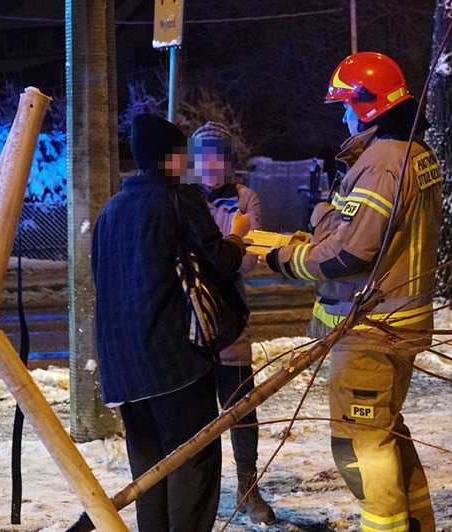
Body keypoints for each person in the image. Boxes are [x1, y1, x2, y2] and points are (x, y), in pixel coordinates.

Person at [265, 52, 442, 532]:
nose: (342, 114)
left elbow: (350, 255)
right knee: (385, 431)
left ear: (367, 106)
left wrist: (283, 259)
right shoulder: (412, 155)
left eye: (346, 104)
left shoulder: (383, 162)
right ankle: (417, 522)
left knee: (359, 443)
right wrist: (325, 216)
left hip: (372, 327)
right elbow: (366, 232)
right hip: (394, 321)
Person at [91, 113, 250, 531]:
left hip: (122, 370)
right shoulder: (179, 199)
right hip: (173, 363)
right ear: (172, 158)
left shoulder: (111, 210)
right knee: (192, 461)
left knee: (150, 471)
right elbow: (221, 261)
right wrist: (238, 235)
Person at [191, 121, 276, 524]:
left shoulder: (245, 197)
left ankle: (248, 487)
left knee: (242, 406)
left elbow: (246, 258)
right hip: (189, 320)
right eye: (203, 155)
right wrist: (226, 244)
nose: (211, 163)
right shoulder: (183, 197)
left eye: (218, 155)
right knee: (194, 410)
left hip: (231, 316)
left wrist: (217, 253)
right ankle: (198, 489)